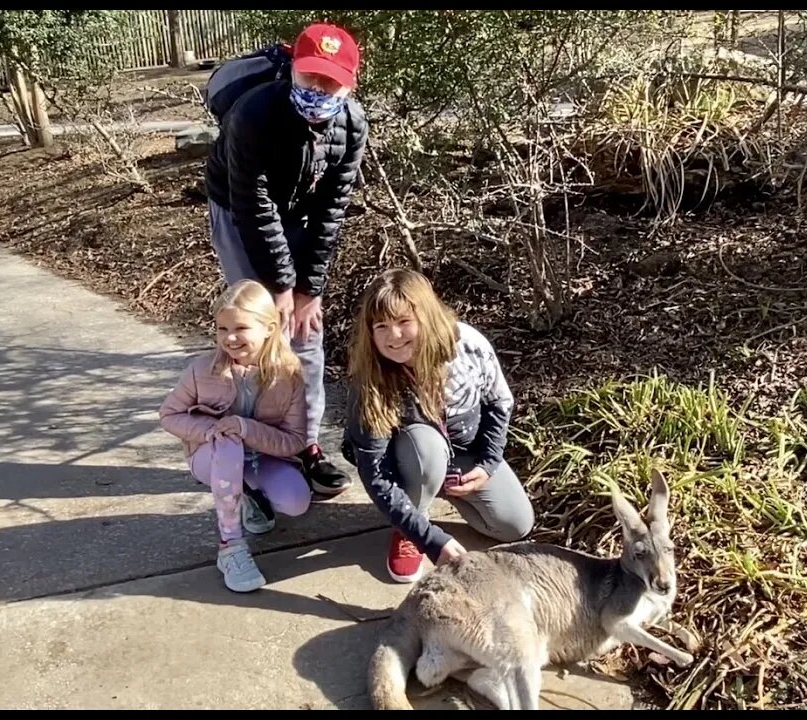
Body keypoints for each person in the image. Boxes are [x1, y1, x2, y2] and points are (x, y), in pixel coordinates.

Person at [203, 22, 368, 498]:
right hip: (238, 209)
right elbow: (254, 206)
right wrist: (279, 288)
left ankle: (305, 444)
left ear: (349, 83)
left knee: (304, 331)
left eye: (331, 81)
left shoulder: (352, 124)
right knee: (254, 325)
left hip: (300, 211)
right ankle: (245, 442)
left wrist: (308, 290)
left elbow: (332, 210)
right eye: (310, 76)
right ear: (292, 70)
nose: (318, 90)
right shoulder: (251, 114)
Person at [342, 269, 536, 583]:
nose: (394, 336)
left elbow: (500, 402)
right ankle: (411, 522)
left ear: (427, 317)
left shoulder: (468, 345)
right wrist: (432, 540)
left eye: (404, 322)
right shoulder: (369, 378)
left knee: (515, 526)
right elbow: (374, 472)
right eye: (382, 326)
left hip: (463, 451)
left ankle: (444, 489)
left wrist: (488, 464)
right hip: (411, 459)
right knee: (424, 449)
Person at [159, 279, 312, 592]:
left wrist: (246, 428)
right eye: (221, 329)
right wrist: (211, 431)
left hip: (262, 458)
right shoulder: (201, 371)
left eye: (240, 328)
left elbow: (296, 439)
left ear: (269, 327)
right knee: (228, 445)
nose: (229, 338)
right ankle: (230, 545)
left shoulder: (289, 375)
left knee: (296, 501)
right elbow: (169, 415)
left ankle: (250, 497)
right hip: (211, 456)